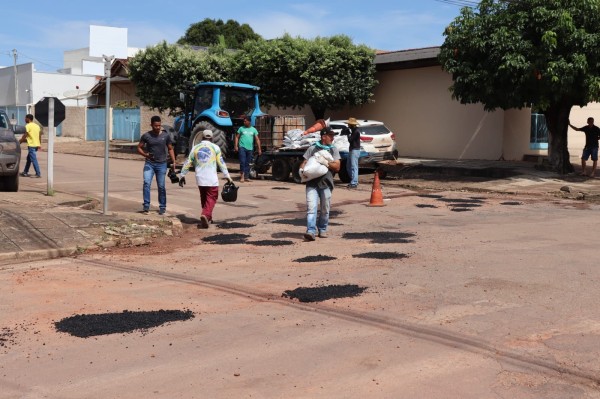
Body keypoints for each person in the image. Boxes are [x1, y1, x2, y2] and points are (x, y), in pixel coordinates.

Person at [179, 129, 233, 229]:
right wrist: (228, 176)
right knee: (212, 197)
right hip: (211, 178)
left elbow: (188, 162)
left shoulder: (195, 147)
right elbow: (221, 163)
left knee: (204, 198)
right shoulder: (215, 147)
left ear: (202, 137)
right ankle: (205, 215)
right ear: (212, 138)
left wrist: (182, 175)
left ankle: (208, 218)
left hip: (200, 178)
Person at [299, 127, 341, 241]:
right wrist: (301, 170)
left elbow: (337, 167)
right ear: (324, 137)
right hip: (312, 184)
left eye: (333, 135)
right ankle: (310, 231)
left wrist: (326, 162)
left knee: (324, 209)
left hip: (326, 184)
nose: (332, 138)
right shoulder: (312, 148)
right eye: (330, 135)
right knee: (311, 208)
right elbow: (304, 162)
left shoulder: (333, 150)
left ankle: (322, 229)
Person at [137, 115, 177, 215]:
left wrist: (174, 161)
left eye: (159, 125)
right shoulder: (146, 136)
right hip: (149, 164)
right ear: (151, 125)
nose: (158, 127)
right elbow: (139, 147)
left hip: (162, 164)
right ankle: (146, 206)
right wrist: (145, 155)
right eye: (155, 126)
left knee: (161, 186)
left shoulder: (165, 135)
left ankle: (162, 207)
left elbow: (170, 148)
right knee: (146, 183)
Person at [234, 117, 261, 182]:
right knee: (242, 162)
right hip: (242, 147)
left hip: (250, 148)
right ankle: (242, 176)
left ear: (249, 122)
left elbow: (257, 139)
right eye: (244, 121)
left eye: (245, 121)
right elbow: (237, 137)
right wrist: (236, 146)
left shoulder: (253, 129)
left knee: (248, 163)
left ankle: (246, 177)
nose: (244, 122)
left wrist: (259, 149)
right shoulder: (241, 128)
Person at [19, 114, 42, 178]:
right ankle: (25, 172)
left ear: (28, 119)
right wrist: (39, 144)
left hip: (31, 145)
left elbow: (25, 135)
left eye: (25, 118)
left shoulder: (28, 126)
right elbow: (39, 136)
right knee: (29, 159)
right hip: (36, 145)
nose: (24, 119)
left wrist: (19, 142)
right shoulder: (37, 126)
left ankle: (38, 173)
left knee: (33, 159)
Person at [341, 117, 361, 188]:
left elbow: (350, 140)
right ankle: (353, 180)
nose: (348, 125)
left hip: (355, 150)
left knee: (353, 167)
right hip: (352, 150)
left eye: (349, 124)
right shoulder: (353, 130)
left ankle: (354, 182)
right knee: (348, 166)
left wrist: (347, 134)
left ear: (352, 125)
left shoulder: (356, 131)